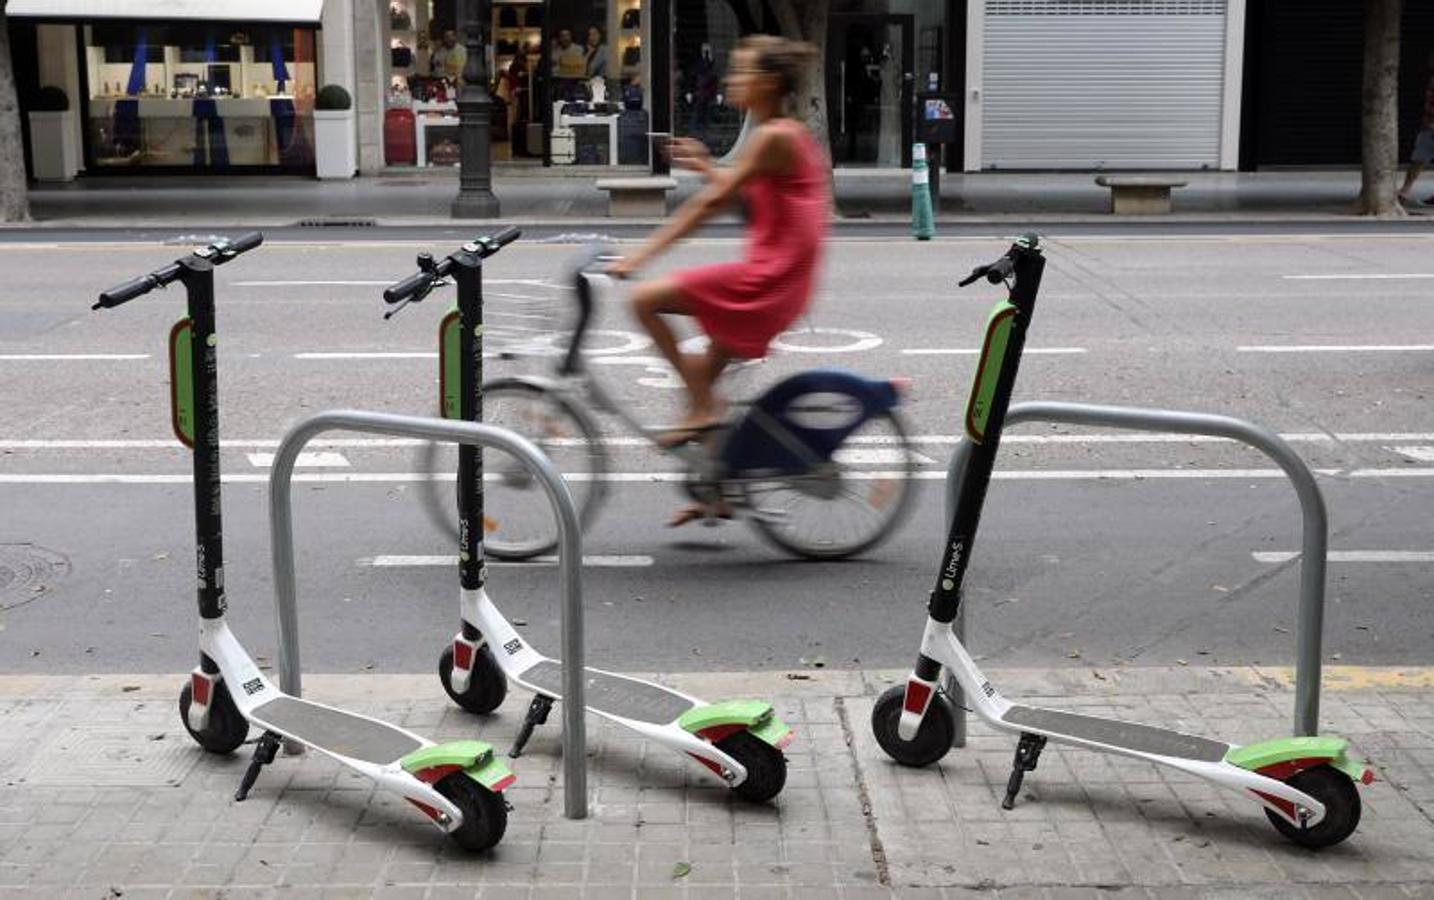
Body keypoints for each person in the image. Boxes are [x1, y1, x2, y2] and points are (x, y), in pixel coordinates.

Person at [606, 35, 831, 526]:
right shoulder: (777, 134)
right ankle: (719, 490)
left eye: (742, 71)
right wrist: (708, 167)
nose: (731, 80)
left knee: (644, 301)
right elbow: (738, 197)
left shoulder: (776, 137)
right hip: (781, 276)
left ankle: (707, 411)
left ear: (768, 83)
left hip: (769, 278)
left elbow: (711, 205)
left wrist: (638, 256)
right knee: (700, 382)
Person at [1398, 50, 1434, 207]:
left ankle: (1405, 191)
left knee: (1419, 157)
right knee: (1419, 158)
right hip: (1429, 124)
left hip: (1431, 124)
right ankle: (1405, 190)